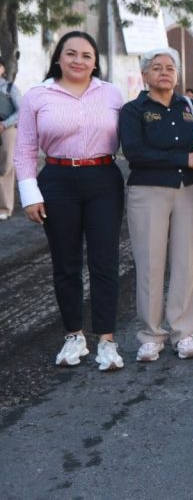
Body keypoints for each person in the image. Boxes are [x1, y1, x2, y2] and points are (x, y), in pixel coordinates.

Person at [14, 31, 125, 370]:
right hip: (57, 180)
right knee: (66, 262)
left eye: (86, 55)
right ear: (58, 57)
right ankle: (74, 336)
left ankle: (106, 340)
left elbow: (130, 139)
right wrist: (30, 195)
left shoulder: (112, 94)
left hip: (103, 178)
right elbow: (25, 149)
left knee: (105, 262)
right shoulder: (37, 95)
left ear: (96, 61)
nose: (79, 60)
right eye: (71, 53)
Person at [118, 48, 193, 362]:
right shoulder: (134, 110)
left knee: (187, 262)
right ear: (145, 75)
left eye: (170, 67)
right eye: (156, 67)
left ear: (178, 74)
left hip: (190, 190)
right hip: (149, 191)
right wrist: (184, 158)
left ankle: (183, 333)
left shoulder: (192, 107)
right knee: (149, 263)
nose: (164, 72)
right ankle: (151, 334)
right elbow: (134, 152)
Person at [0, 60, 23, 221]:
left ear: (2, 68)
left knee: (6, 167)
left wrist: (4, 124)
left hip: (7, 130)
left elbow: (22, 111)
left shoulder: (9, 88)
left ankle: (5, 207)